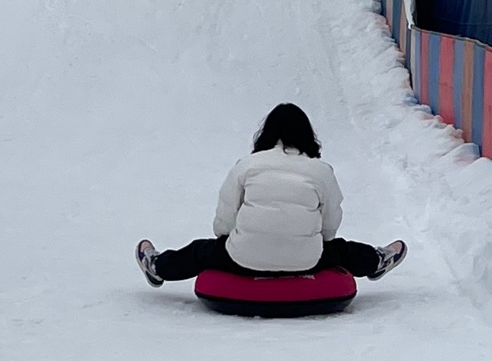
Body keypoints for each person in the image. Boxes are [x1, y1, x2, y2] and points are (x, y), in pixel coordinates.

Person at [136, 103, 407, 286]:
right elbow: (330, 224)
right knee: (342, 250)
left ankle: (158, 266)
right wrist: (313, 241)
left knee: (199, 251)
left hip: (243, 258)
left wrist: (232, 239)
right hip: (306, 260)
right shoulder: (320, 170)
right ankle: (376, 260)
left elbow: (224, 222)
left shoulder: (247, 165)